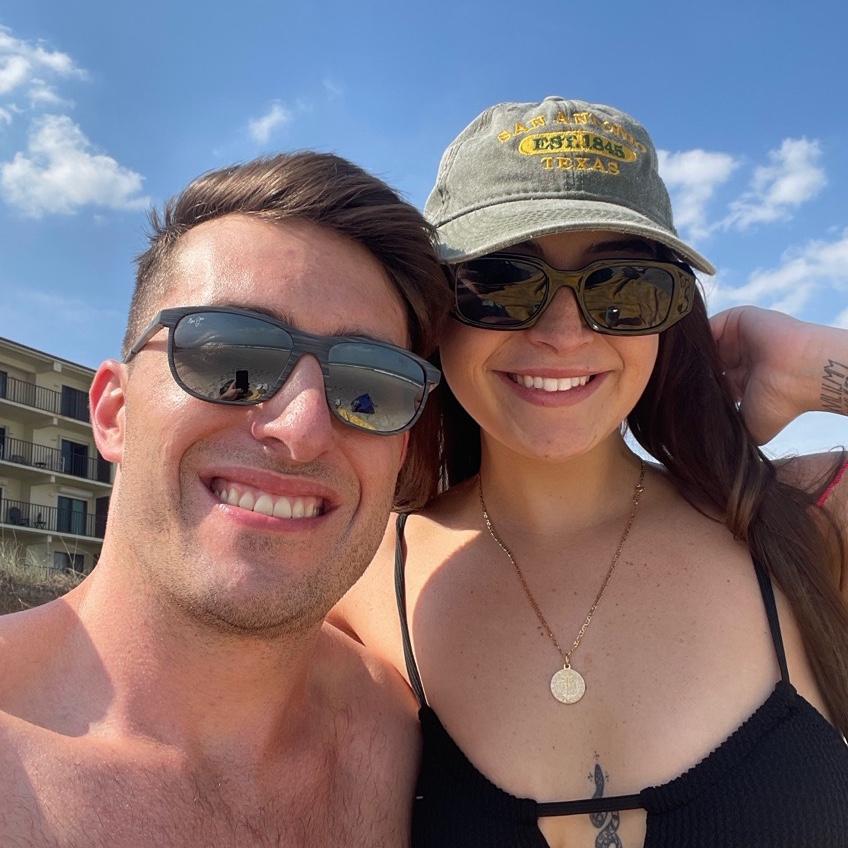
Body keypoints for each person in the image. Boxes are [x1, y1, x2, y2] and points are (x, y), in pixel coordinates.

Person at [332, 98, 848, 846]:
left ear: (672, 315)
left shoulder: (805, 525)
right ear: (436, 311)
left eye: (625, 286)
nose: (564, 333)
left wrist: (821, 365)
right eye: (500, 282)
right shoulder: (354, 579)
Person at [0, 152, 450, 846]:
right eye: (230, 358)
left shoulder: (402, 739)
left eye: (371, 387)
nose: (302, 428)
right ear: (115, 412)